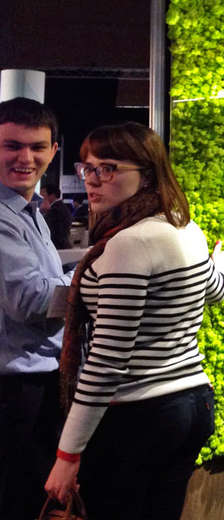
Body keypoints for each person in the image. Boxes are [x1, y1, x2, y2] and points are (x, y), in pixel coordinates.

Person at [43, 122, 224, 519]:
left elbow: (108, 360)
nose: (93, 180)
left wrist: (67, 455)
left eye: (108, 168)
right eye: (88, 167)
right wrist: (222, 265)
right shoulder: (182, 226)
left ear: (146, 174)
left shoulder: (129, 243)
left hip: (138, 413)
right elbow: (211, 289)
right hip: (191, 402)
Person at [0, 97, 72, 519]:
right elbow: (31, 299)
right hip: (14, 392)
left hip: (33, 386)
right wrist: (101, 279)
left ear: (53, 151)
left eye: (37, 147)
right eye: (12, 146)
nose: (25, 158)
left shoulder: (30, 212)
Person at [40, 185, 73, 249]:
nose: (42, 197)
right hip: (62, 245)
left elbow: (47, 230)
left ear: (52, 195)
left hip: (57, 247)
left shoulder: (55, 210)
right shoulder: (61, 206)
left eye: (44, 194)